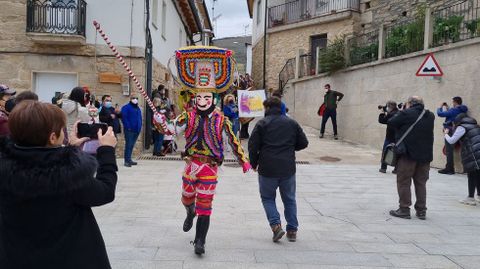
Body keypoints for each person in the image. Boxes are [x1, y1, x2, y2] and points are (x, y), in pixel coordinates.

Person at [0, 101, 118, 269]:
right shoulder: (66, 174)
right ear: (53, 137)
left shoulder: (5, 168)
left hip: (16, 258)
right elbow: (104, 192)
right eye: (61, 130)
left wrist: (70, 150)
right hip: (68, 258)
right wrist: (106, 150)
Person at [154, 57, 251, 255]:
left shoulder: (222, 119)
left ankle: (200, 241)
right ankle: (189, 212)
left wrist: (244, 161)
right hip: (191, 165)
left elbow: (233, 141)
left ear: (214, 99)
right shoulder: (187, 116)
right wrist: (161, 122)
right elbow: (172, 130)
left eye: (207, 98)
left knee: (205, 205)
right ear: (195, 99)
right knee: (187, 197)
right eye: (199, 98)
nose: (202, 101)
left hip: (210, 166)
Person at [248, 97, 308, 242]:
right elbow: (304, 143)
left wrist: (254, 163)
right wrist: (289, 148)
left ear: (267, 108)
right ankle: (292, 230)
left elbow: (253, 145)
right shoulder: (292, 123)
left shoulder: (262, 123)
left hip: (267, 168)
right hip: (287, 167)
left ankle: (276, 226)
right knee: (290, 199)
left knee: (268, 198)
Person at [387, 96, 435, 220]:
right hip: (425, 156)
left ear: (409, 103)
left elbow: (391, 122)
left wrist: (402, 111)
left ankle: (404, 209)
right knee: (421, 183)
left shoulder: (406, 113)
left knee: (404, 181)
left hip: (408, 154)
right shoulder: (430, 116)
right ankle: (421, 210)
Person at [444, 113, 480, 206]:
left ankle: (470, 198)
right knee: (478, 174)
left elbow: (452, 140)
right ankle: (479, 195)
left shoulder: (462, 127)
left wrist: (446, 134)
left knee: (471, 175)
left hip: (473, 153)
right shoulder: (476, 125)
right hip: (478, 151)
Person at [436, 97, 468, 175]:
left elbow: (440, 114)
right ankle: (453, 168)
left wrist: (440, 107)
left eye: (453, 102)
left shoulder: (454, 110)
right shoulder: (462, 110)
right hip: (458, 131)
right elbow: (452, 116)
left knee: (449, 151)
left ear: (455, 102)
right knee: (456, 150)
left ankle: (449, 169)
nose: (452, 103)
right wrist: (448, 109)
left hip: (450, 131)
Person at [121, 94, 142, 167]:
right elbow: (124, 118)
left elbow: (140, 118)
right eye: (133, 98)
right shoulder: (126, 107)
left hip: (136, 129)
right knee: (128, 145)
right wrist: (128, 127)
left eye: (136, 98)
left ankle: (129, 159)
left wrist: (140, 127)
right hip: (129, 130)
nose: (135, 99)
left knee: (132, 145)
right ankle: (126, 161)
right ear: (130, 99)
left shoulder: (138, 108)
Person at [378, 101, 399, 173]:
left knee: (385, 151)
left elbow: (382, 120)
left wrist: (382, 112)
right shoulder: (399, 113)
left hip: (390, 137)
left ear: (389, 107)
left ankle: (383, 168)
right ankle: (396, 169)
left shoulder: (390, 114)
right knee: (397, 152)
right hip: (398, 137)